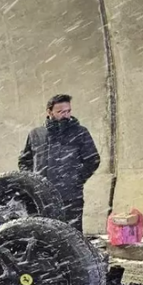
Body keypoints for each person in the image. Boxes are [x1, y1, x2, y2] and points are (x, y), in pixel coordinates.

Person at [19, 94, 100, 233]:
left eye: (68, 111)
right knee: (42, 235)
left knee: (71, 235)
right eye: (61, 112)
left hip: (70, 197)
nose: (66, 115)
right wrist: (32, 181)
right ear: (49, 112)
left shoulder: (79, 133)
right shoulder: (36, 134)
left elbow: (93, 160)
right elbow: (24, 161)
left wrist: (76, 179)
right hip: (40, 197)